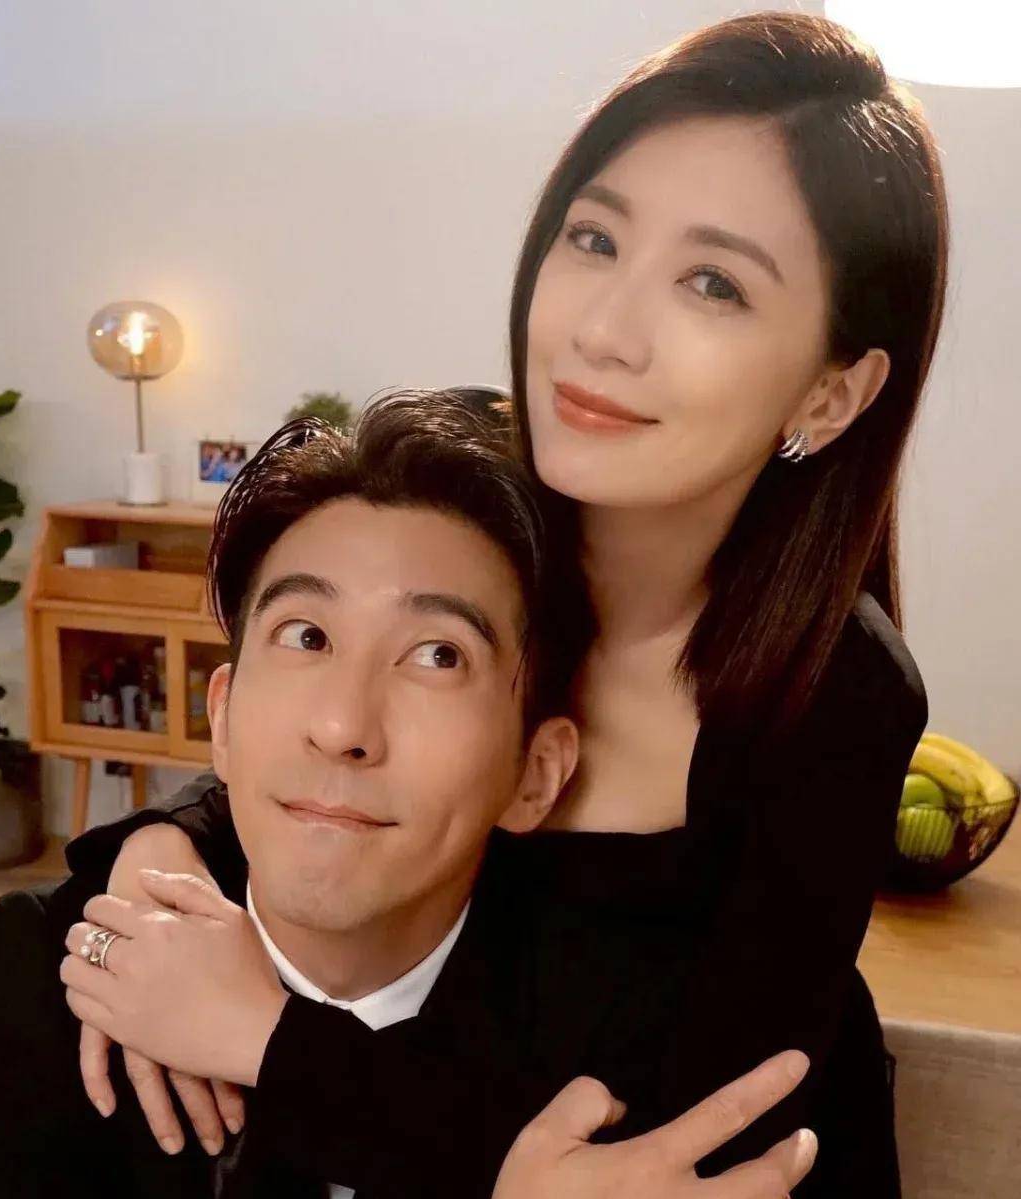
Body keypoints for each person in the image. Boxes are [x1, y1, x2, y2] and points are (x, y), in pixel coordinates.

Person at [61, 9, 944, 1197]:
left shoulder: (839, 690)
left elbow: (682, 1152)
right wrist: (160, 848)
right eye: (594, 238)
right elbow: (320, 739)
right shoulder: (475, 505)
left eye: (713, 282)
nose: (602, 330)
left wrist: (267, 1040)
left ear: (831, 395)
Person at [0, 391, 817, 1199]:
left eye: (438, 655)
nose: (341, 726)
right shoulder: (45, 976)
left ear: (536, 773)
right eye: (305, 635)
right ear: (224, 716)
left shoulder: (670, 1042)